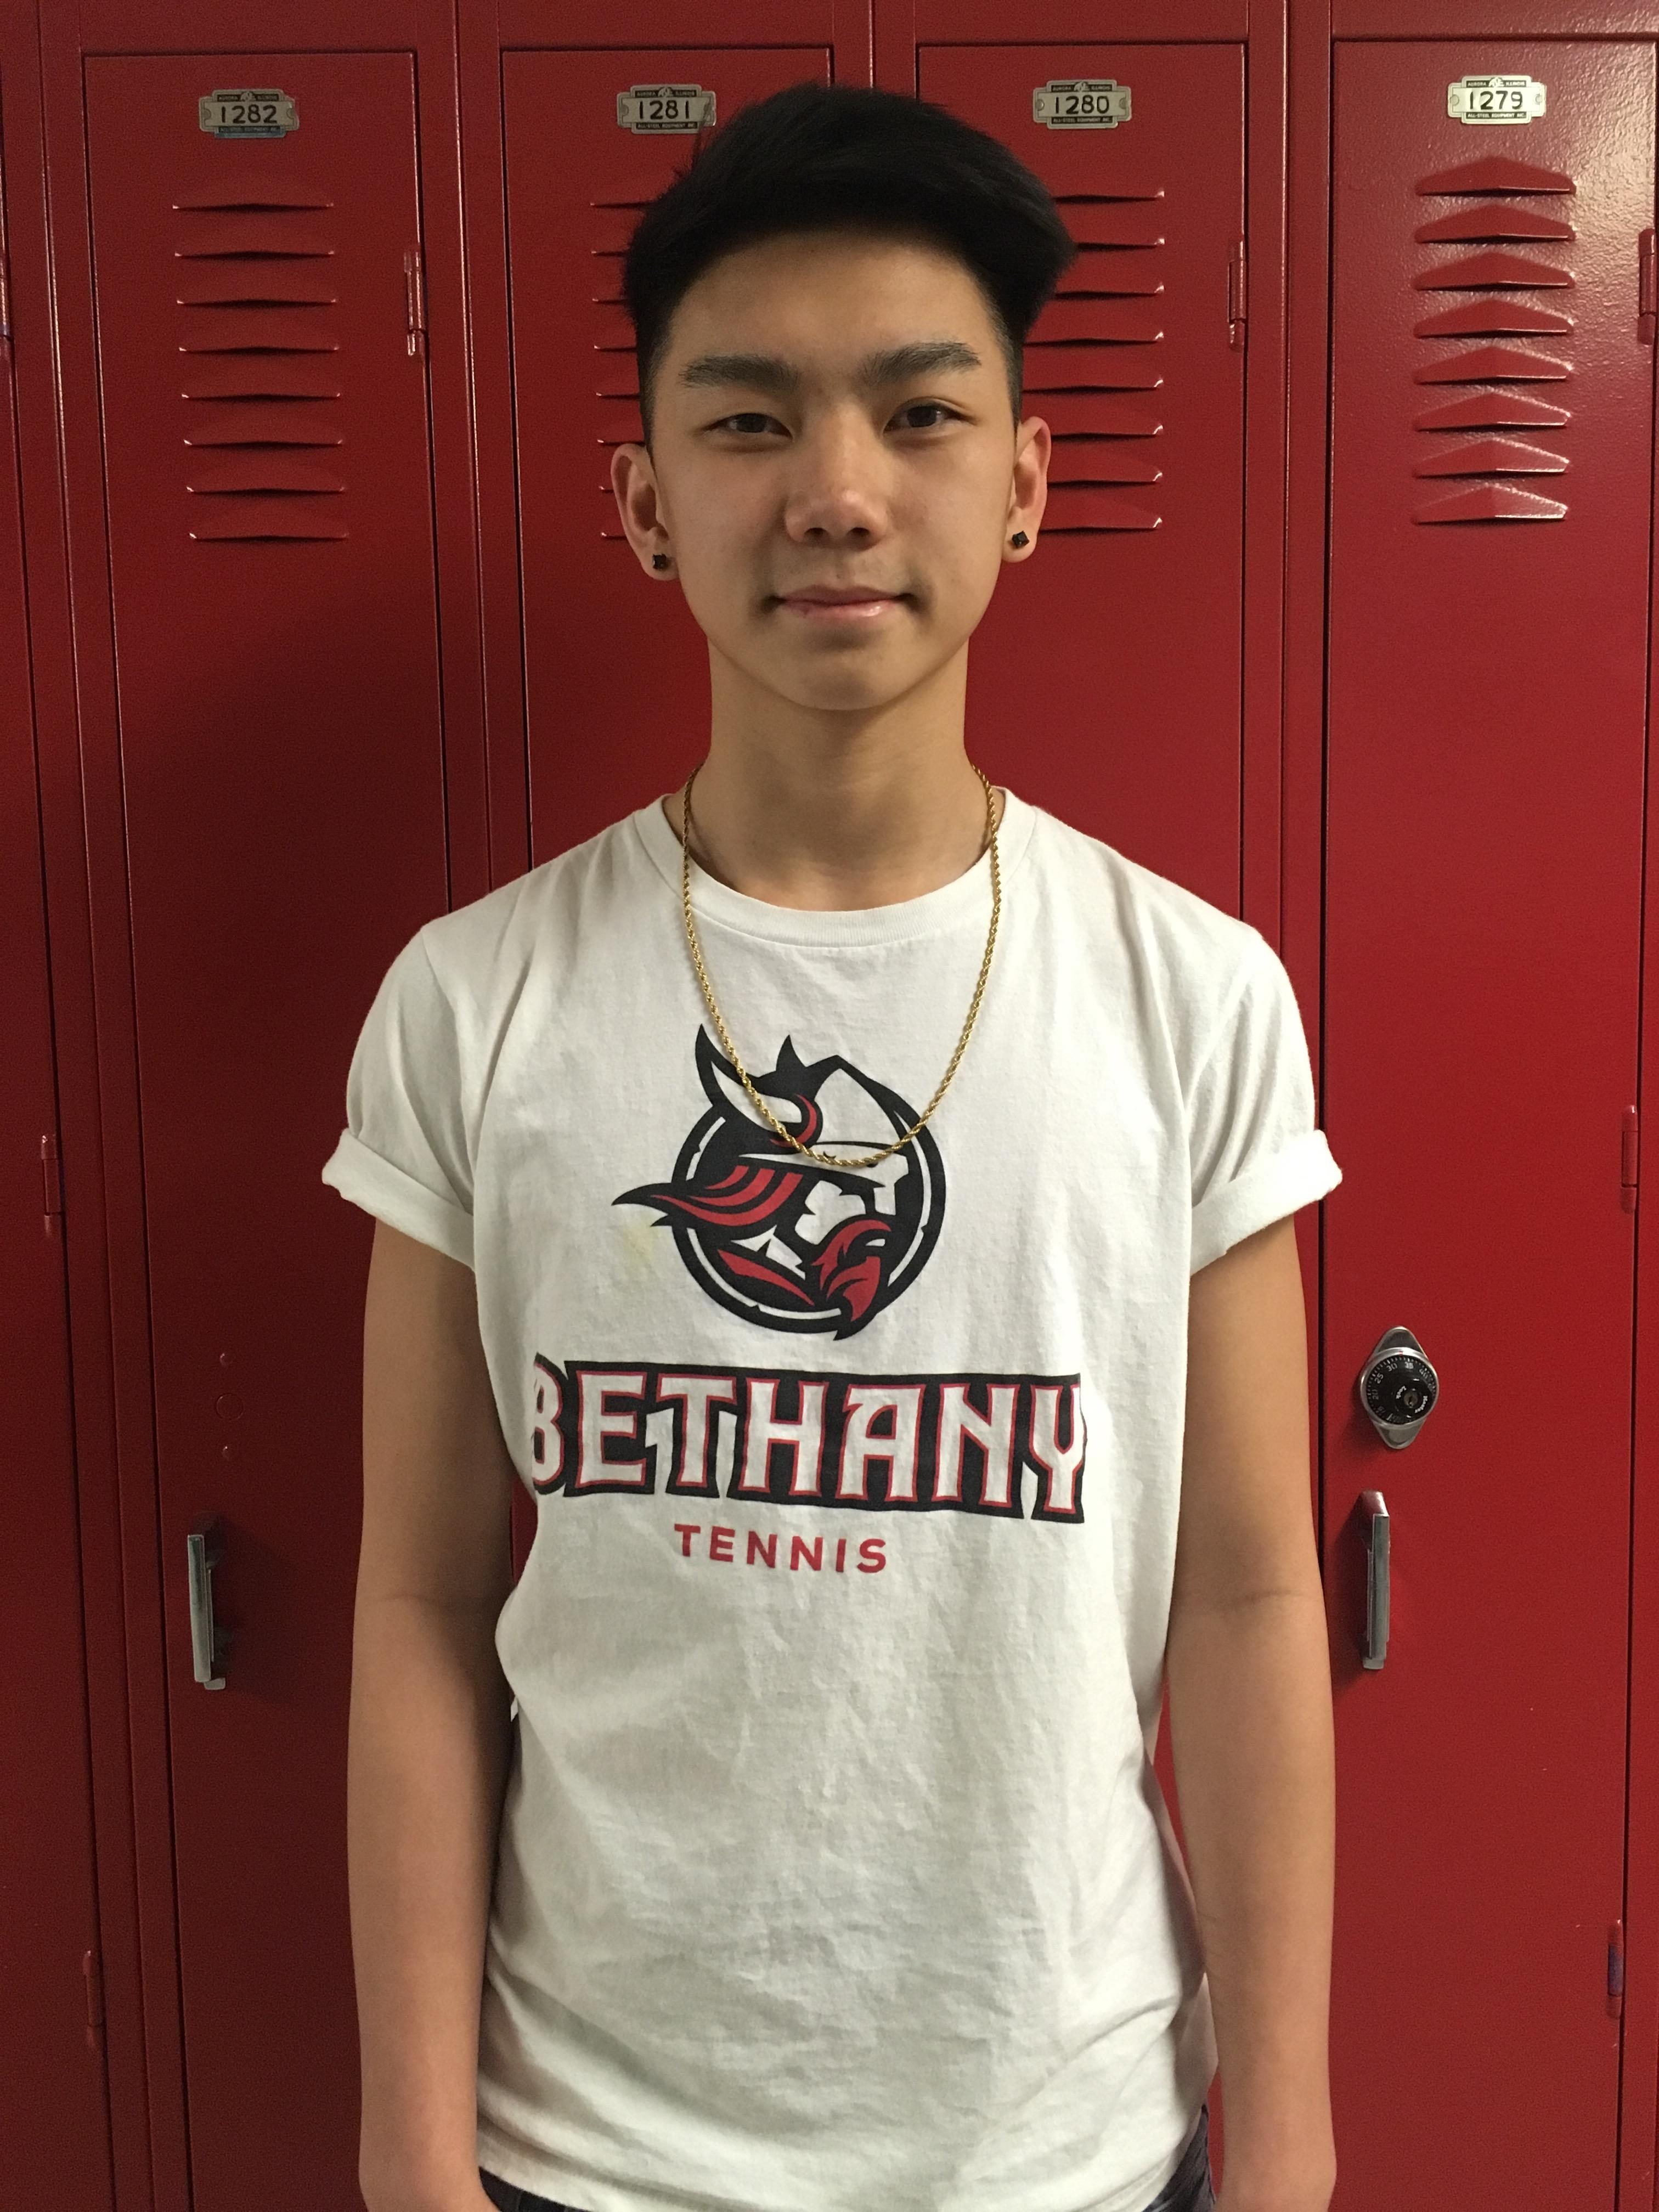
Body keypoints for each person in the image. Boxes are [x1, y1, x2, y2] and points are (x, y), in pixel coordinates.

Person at [323, 79, 1341, 2212]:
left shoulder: (1193, 997)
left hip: (1063, 2142)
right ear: (644, 498)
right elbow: (419, 1599)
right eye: (752, 419)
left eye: (921, 412)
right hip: (586, 2149)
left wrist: (1290, 2135)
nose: (840, 493)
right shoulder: (475, 1001)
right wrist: (411, 2150)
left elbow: (1250, 1594)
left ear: (1027, 482)